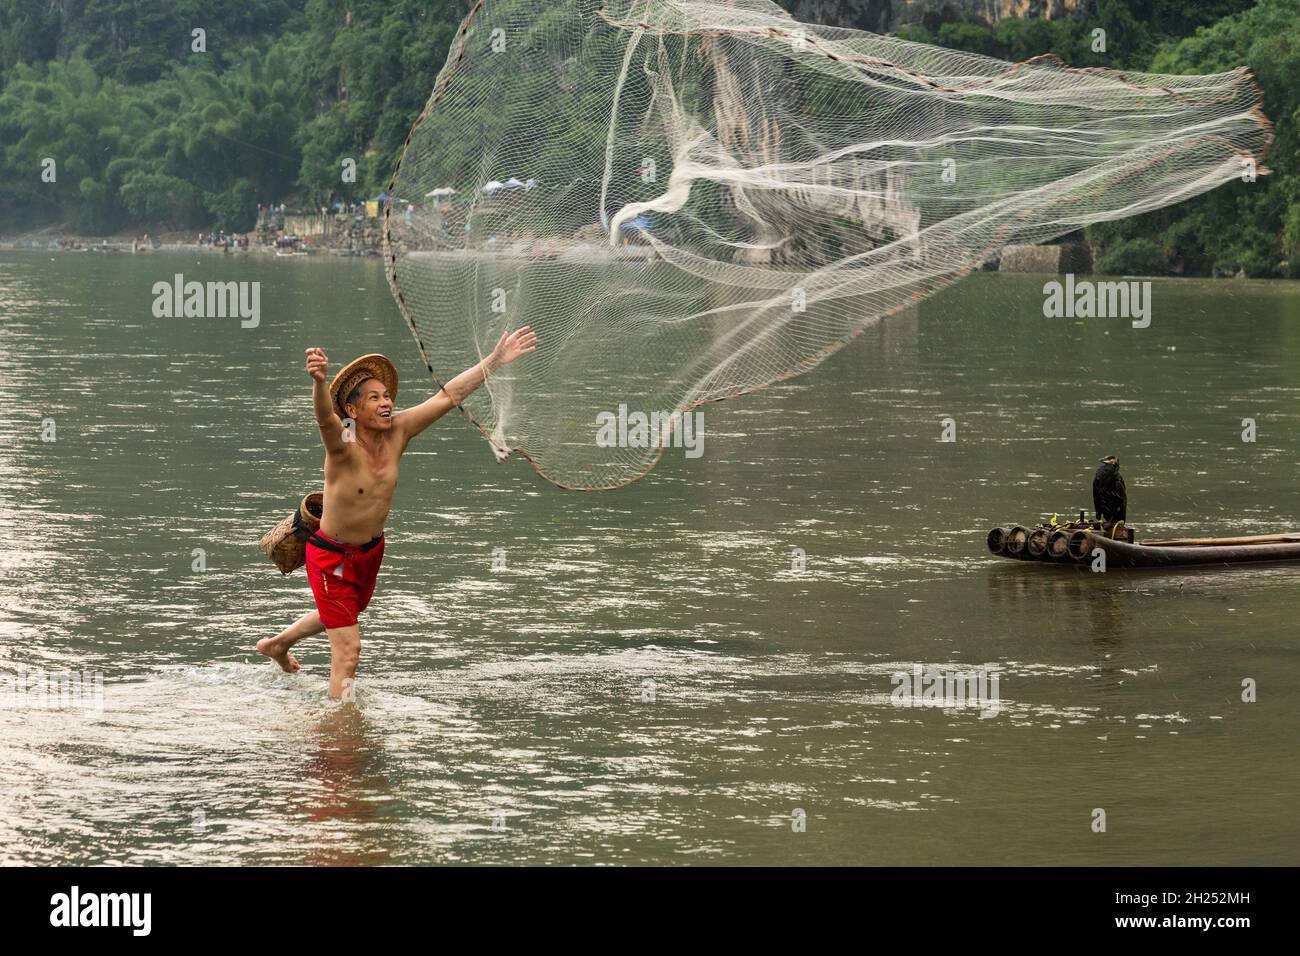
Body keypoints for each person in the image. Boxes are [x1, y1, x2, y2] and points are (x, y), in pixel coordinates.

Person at [257, 329, 538, 698]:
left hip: (370, 553)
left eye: (387, 395)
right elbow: (325, 419)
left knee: (342, 615)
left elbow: (448, 396)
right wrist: (319, 382)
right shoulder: (344, 441)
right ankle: (337, 735)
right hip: (331, 556)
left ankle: (278, 645)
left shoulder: (399, 431)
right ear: (353, 411)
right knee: (349, 650)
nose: (386, 403)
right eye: (374, 398)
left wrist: (495, 360)